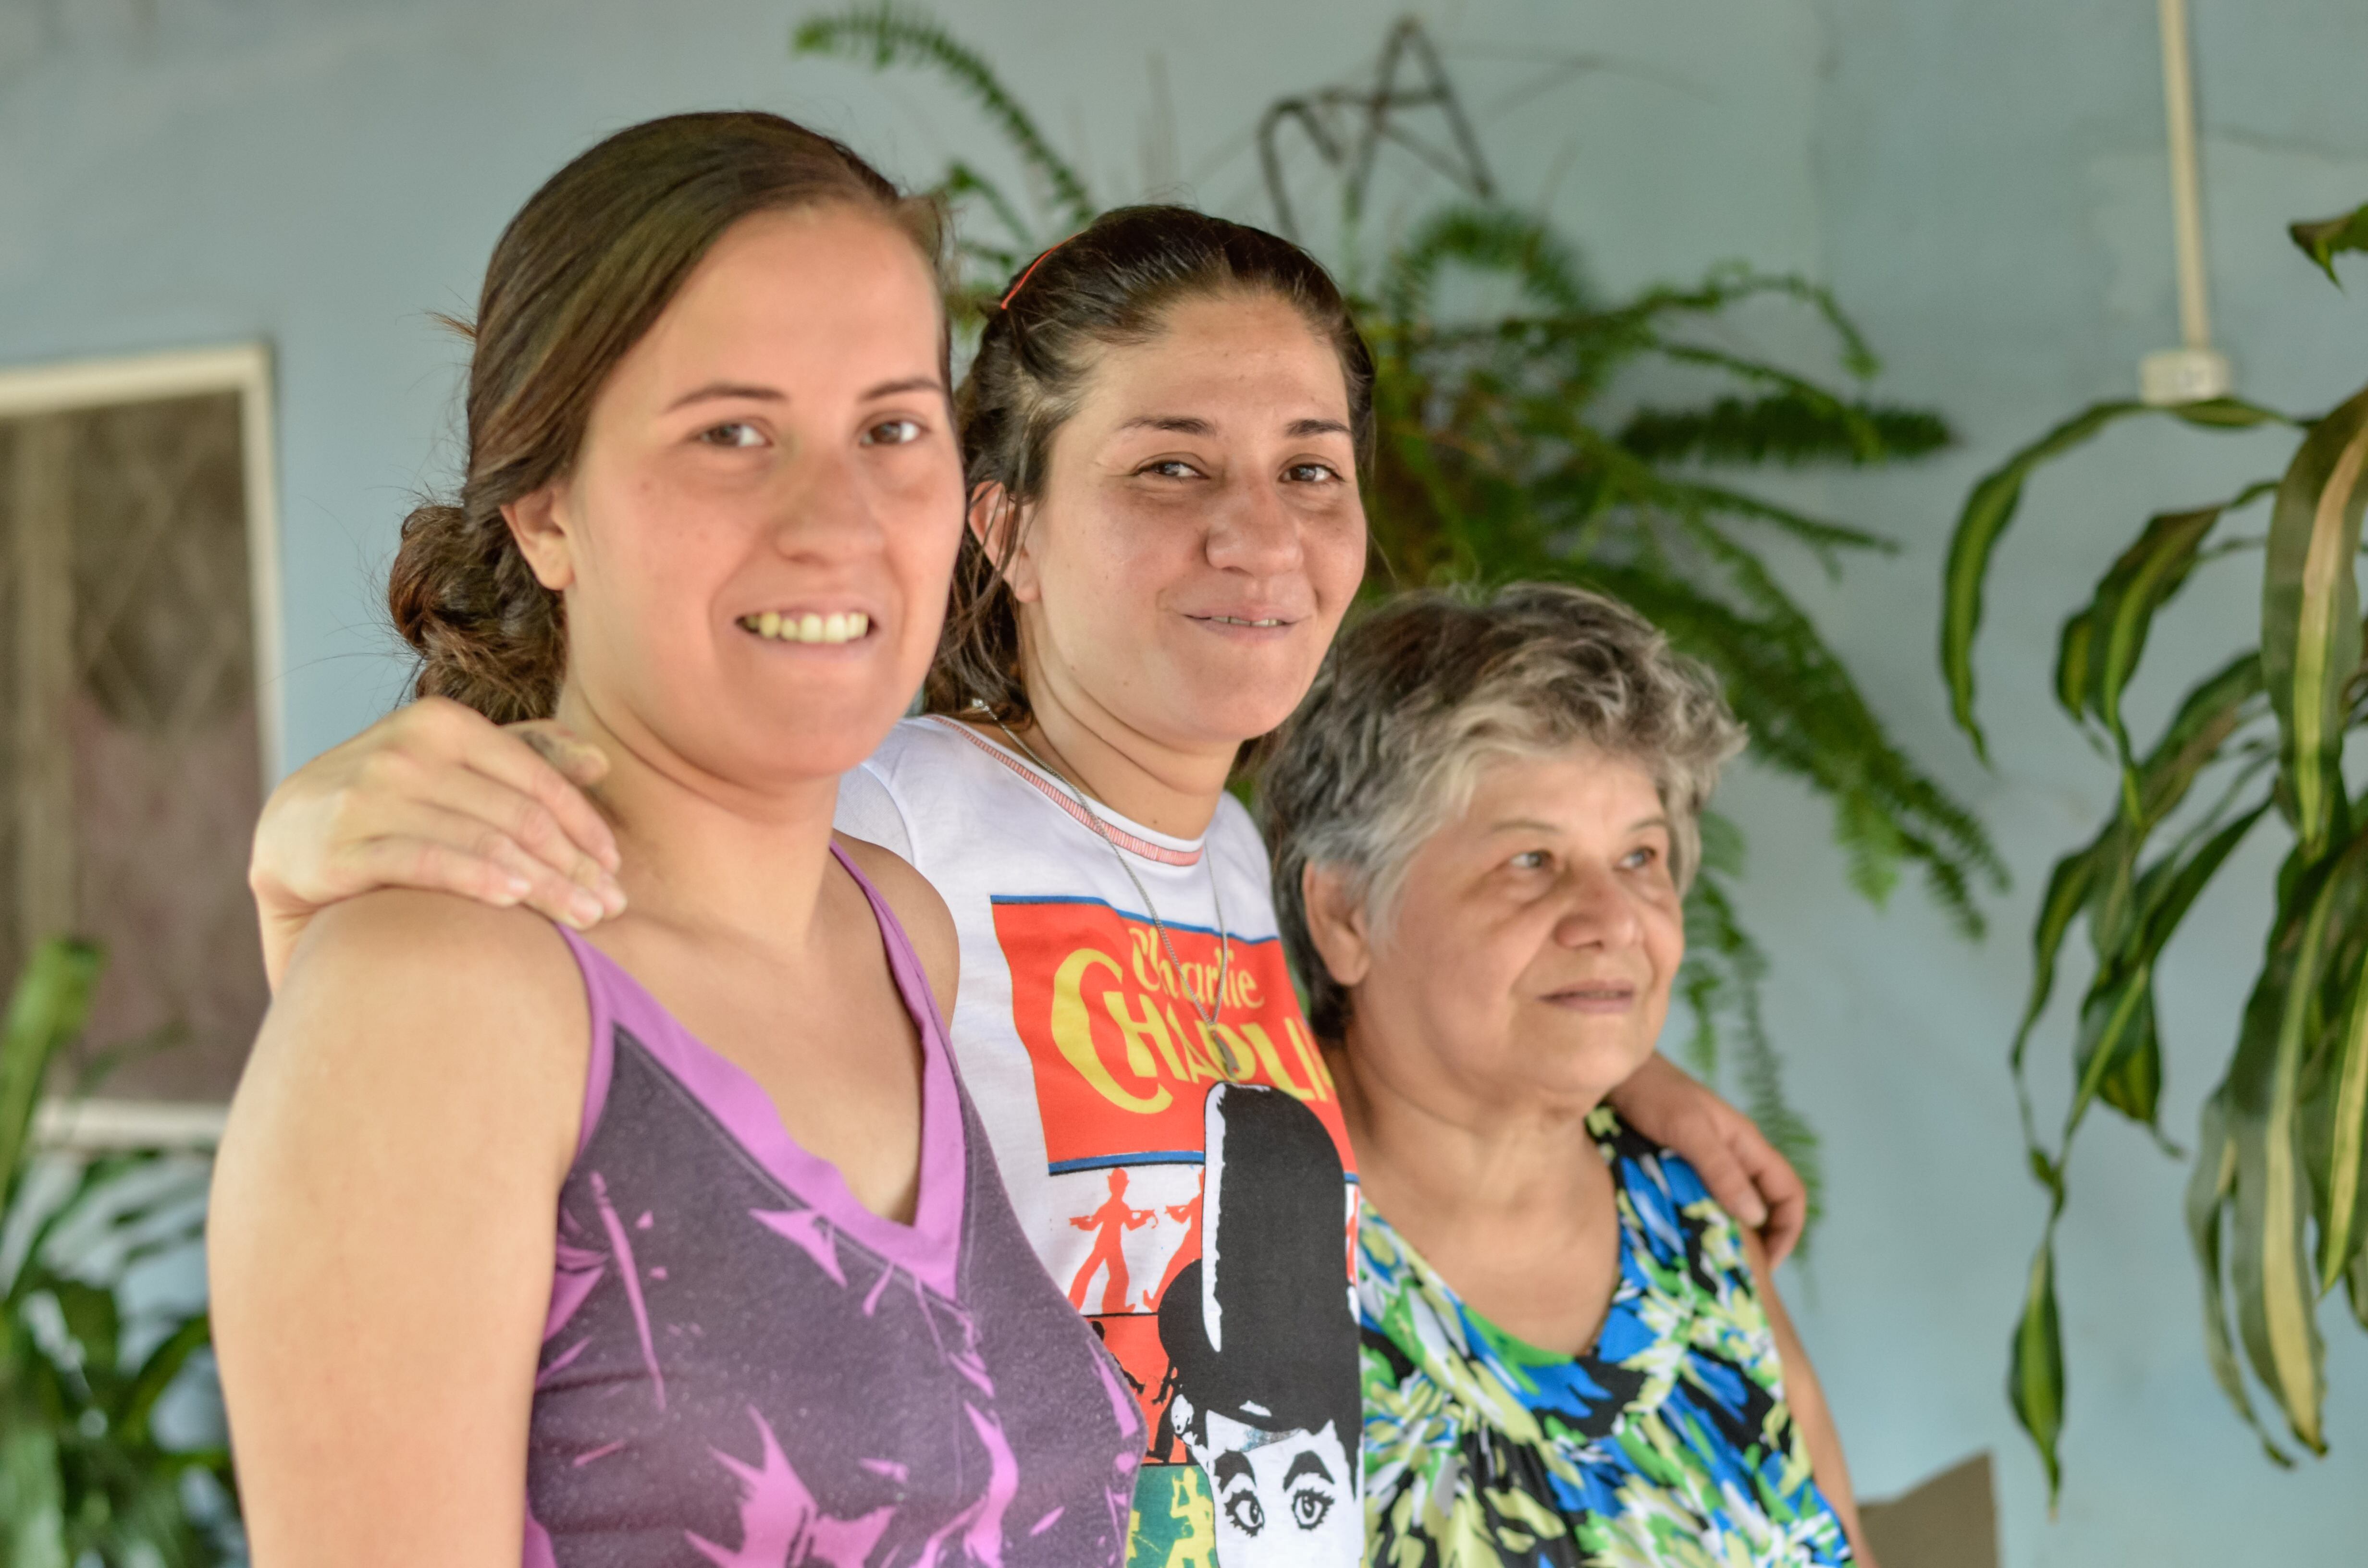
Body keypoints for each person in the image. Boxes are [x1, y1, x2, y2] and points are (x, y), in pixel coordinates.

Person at [241, 204, 1808, 1568]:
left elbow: (1368, 1073)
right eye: (1167, 466)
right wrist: (306, 858)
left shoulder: (1233, 868)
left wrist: (1632, 1072)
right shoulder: (898, 821)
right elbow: (541, 1061)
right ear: (1005, 525)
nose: (1256, 531)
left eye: (1308, 469)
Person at [207, 112, 1144, 1568]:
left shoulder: (897, 927)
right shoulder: (443, 990)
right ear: (544, 510)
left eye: (892, 428)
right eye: (732, 434)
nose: (837, 518)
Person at [1261, 584, 1876, 1567]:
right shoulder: (1225, 1244)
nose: (1613, 919)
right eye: (1530, 861)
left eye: (1640, 855)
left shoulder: (1692, 1224)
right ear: (1343, 914)